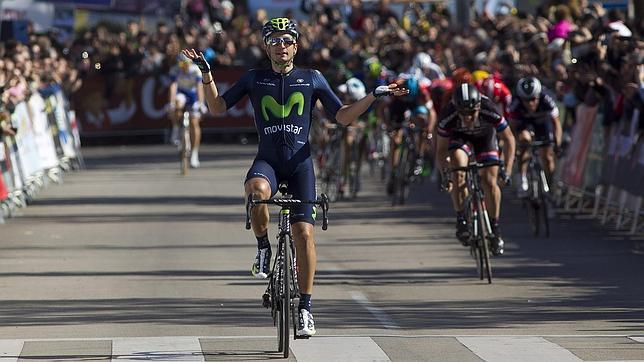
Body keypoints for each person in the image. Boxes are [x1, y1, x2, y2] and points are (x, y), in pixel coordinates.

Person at [182, 17, 408, 337]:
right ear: (266, 46)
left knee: (304, 234)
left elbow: (342, 116)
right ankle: (263, 247)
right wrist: (207, 74)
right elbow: (217, 108)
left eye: (286, 40)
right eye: (274, 40)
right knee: (256, 190)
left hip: (301, 165)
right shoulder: (253, 78)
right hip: (269, 161)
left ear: (296, 45)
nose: (281, 45)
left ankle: (305, 308)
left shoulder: (312, 78)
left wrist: (374, 94)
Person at [436, 84, 515, 256]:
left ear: (478, 107)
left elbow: (509, 139)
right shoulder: (447, 115)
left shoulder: (489, 109)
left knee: (489, 180)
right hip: (459, 138)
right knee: (458, 168)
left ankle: (495, 228)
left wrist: (507, 170)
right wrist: (445, 175)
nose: (468, 117)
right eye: (463, 113)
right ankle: (461, 219)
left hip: (484, 138)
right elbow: (441, 149)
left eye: (471, 113)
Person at [509, 77, 562, 198]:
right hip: (524, 123)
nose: (530, 103)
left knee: (548, 157)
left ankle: (550, 184)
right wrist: (516, 146)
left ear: (538, 96)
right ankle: (522, 179)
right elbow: (511, 128)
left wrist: (557, 143)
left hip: (542, 123)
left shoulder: (546, 99)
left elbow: (557, 124)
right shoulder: (516, 103)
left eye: (533, 99)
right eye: (526, 100)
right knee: (525, 141)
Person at [167, 53, 207, 168]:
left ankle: (194, 154)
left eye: (186, 64)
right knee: (177, 104)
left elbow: (200, 87)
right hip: (182, 93)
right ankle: (175, 128)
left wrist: (200, 103)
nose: (184, 67)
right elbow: (173, 86)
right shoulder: (175, 70)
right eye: (182, 65)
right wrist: (171, 103)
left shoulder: (195, 70)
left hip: (193, 95)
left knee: (194, 122)